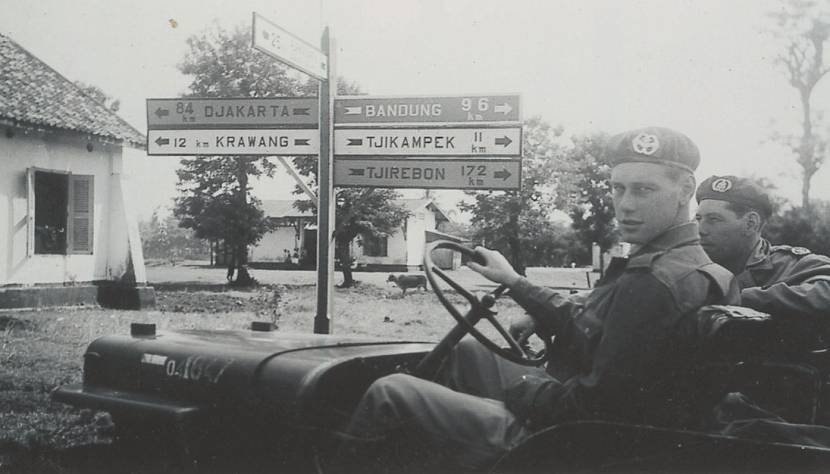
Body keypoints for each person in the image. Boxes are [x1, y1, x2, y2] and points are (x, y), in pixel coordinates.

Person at [339, 127, 739, 471]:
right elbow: (598, 330)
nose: (626, 204)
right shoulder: (698, 266)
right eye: (618, 188)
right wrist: (514, 281)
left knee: (390, 391)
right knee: (468, 352)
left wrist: (521, 389)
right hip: (635, 438)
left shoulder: (654, 281)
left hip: (570, 448)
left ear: (686, 190)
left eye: (643, 190)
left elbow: (591, 409)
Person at [695, 175, 830, 323]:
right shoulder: (690, 267)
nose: (700, 230)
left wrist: (737, 298)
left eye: (714, 219)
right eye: (698, 219)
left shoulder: (788, 265)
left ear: (750, 224)